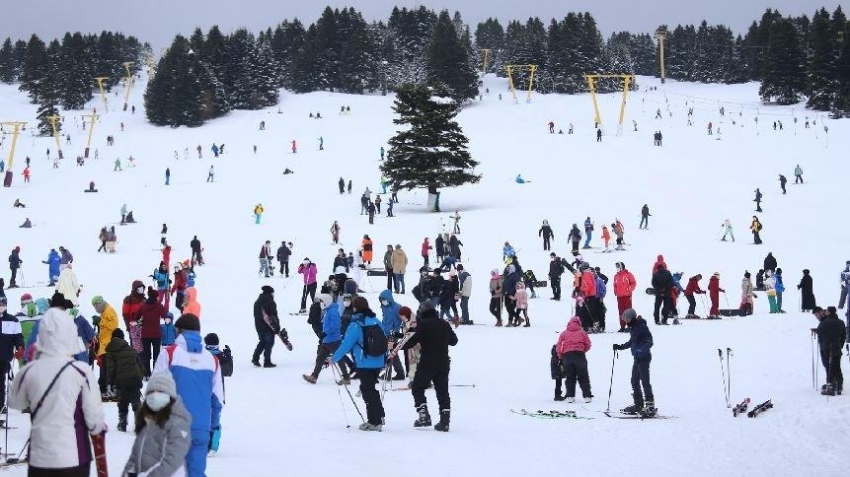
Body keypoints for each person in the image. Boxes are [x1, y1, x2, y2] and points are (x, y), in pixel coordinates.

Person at [10, 306, 106, 475]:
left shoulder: (29, 371)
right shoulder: (81, 371)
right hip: (75, 456)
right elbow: (94, 421)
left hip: (39, 457)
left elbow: (15, 402)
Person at [154, 314, 222, 477]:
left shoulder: (169, 354)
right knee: (196, 472)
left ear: (178, 330)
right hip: (201, 428)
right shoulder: (212, 360)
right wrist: (212, 427)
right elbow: (217, 399)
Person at [331, 297, 386, 431]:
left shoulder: (356, 324)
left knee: (368, 391)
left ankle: (374, 421)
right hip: (378, 361)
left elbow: (346, 344)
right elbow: (384, 340)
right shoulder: (376, 321)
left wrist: (334, 358)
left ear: (355, 308)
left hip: (364, 362)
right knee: (371, 389)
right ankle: (379, 415)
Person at [403, 300, 458, 432]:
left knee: (417, 387)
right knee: (442, 391)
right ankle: (445, 422)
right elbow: (454, 341)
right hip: (443, 362)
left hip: (427, 362)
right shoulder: (444, 323)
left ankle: (424, 417)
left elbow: (412, 341)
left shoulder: (423, 325)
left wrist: (398, 346)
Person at [122, 371, 192, 476]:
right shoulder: (147, 421)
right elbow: (134, 457)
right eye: (152, 392)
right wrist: (128, 473)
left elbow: (172, 460)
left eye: (160, 392)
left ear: (170, 396)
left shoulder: (178, 423)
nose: (155, 396)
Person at [613, 309, 656, 417]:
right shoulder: (633, 328)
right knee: (634, 381)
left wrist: (642, 349)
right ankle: (639, 405)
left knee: (645, 381)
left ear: (631, 318)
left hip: (644, 358)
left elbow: (649, 341)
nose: (626, 321)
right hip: (637, 358)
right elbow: (631, 342)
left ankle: (650, 406)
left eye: (626, 319)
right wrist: (620, 347)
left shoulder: (642, 327)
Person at [104, 328, 143, 432]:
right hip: (135, 379)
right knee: (136, 401)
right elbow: (140, 366)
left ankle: (123, 423)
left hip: (122, 381)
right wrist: (140, 378)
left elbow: (110, 370)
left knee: (123, 402)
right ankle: (139, 424)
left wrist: (109, 384)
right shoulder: (131, 348)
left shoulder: (110, 350)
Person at [556, 316, 593, 403]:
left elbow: (558, 346)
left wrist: (561, 357)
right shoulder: (582, 332)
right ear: (579, 323)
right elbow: (588, 344)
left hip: (567, 357)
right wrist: (582, 350)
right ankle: (587, 396)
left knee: (570, 377)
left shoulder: (564, 333)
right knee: (583, 376)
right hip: (579, 356)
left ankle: (570, 396)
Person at [135, 287, 167, 378]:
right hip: (156, 334)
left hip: (145, 334)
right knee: (156, 355)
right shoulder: (159, 306)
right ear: (155, 297)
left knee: (146, 355)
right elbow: (165, 315)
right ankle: (155, 374)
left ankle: (146, 374)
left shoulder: (143, 306)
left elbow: (136, 317)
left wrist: (141, 321)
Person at [813, 307, 846, 395]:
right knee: (837, 366)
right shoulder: (841, 322)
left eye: (826, 311)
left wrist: (816, 332)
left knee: (829, 366)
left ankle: (830, 384)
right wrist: (840, 345)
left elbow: (820, 331)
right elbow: (843, 335)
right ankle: (839, 385)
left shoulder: (825, 322)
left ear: (829, 312)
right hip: (837, 347)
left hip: (827, 348)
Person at [92, 295, 119, 399]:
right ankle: (103, 389)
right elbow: (105, 329)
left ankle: (109, 389)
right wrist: (98, 334)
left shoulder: (109, 310)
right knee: (104, 369)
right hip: (104, 346)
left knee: (107, 370)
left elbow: (114, 325)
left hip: (109, 346)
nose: (95, 309)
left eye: (95, 306)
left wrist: (100, 321)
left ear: (99, 304)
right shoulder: (104, 311)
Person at [0, 296, 24, 411]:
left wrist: (20, 347)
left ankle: (0, 405)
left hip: (4, 357)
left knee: (0, 382)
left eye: (2, 304)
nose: (1, 306)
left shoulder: (13, 320)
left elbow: (18, 336)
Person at [378, 290, 405, 379]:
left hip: (393, 334)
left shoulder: (397, 307)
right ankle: (400, 373)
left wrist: (404, 328)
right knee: (393, 353)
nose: (383, 301)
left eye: (384, 299)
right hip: (385, 332)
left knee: (389, 353)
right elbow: (385, 319)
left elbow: (405, 318)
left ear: (389, 299)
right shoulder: (384, 307)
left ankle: (387, 375)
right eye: (381, 299)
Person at [253, 286, 279, 367]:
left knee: (262, 342)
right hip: (268, 327)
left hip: (259, 326)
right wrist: (277, 327)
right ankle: (267, 361)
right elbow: (273, 315)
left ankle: (255, 358)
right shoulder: (270, 302)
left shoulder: (257, 302)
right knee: (269, 343)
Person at [613, 262, 636, 331]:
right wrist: (615, 292)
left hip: (627, 296)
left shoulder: (628, 274)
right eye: (616, 267)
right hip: (619, 296)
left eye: (618, 267)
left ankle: (630, 326)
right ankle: (622, 326)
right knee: (621, 311)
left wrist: (629, 290)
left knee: (628, 311)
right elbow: (615, 285)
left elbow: (633, 283)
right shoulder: (616, 276)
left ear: (621, 267)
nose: (617, 268)